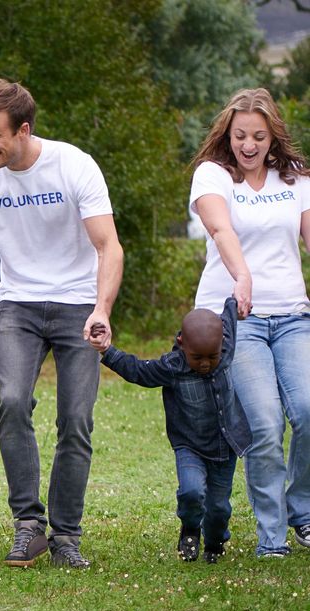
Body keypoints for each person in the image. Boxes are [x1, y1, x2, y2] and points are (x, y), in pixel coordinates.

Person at [0, 80, 124, 569]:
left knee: (75, 420)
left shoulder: (73, 165)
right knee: (12, 403)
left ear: (23, 129)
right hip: (17, 305)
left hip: (78, 303)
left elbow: (109, 246)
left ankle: (66, 536)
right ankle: (28, 527)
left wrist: (101, 309)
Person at [189, 87, 310, 558]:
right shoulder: (213, 175)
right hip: (240, 319)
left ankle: (303, 512)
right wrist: (242, 278)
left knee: (307, 412)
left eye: (259, 135)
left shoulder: (295, 179)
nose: (249, 144)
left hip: (294, 315)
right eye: (241, 135)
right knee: (264, 424)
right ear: (229, 134)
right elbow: (221, 229)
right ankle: (272, 537)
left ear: (272, 136)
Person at [99, 298, 249, 563]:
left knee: (219, 508)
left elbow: (230, 316)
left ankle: (214, 544)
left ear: (222, 345)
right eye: (197, 357)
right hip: (189, 446)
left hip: (226, 445)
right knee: (191, 492)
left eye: (212, 357)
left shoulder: (226, 347)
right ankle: (190, 529)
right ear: (182, 343)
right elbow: (138, 371)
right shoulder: (172, 367)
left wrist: (236, 300)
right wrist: (107, 351)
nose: (205, 363)